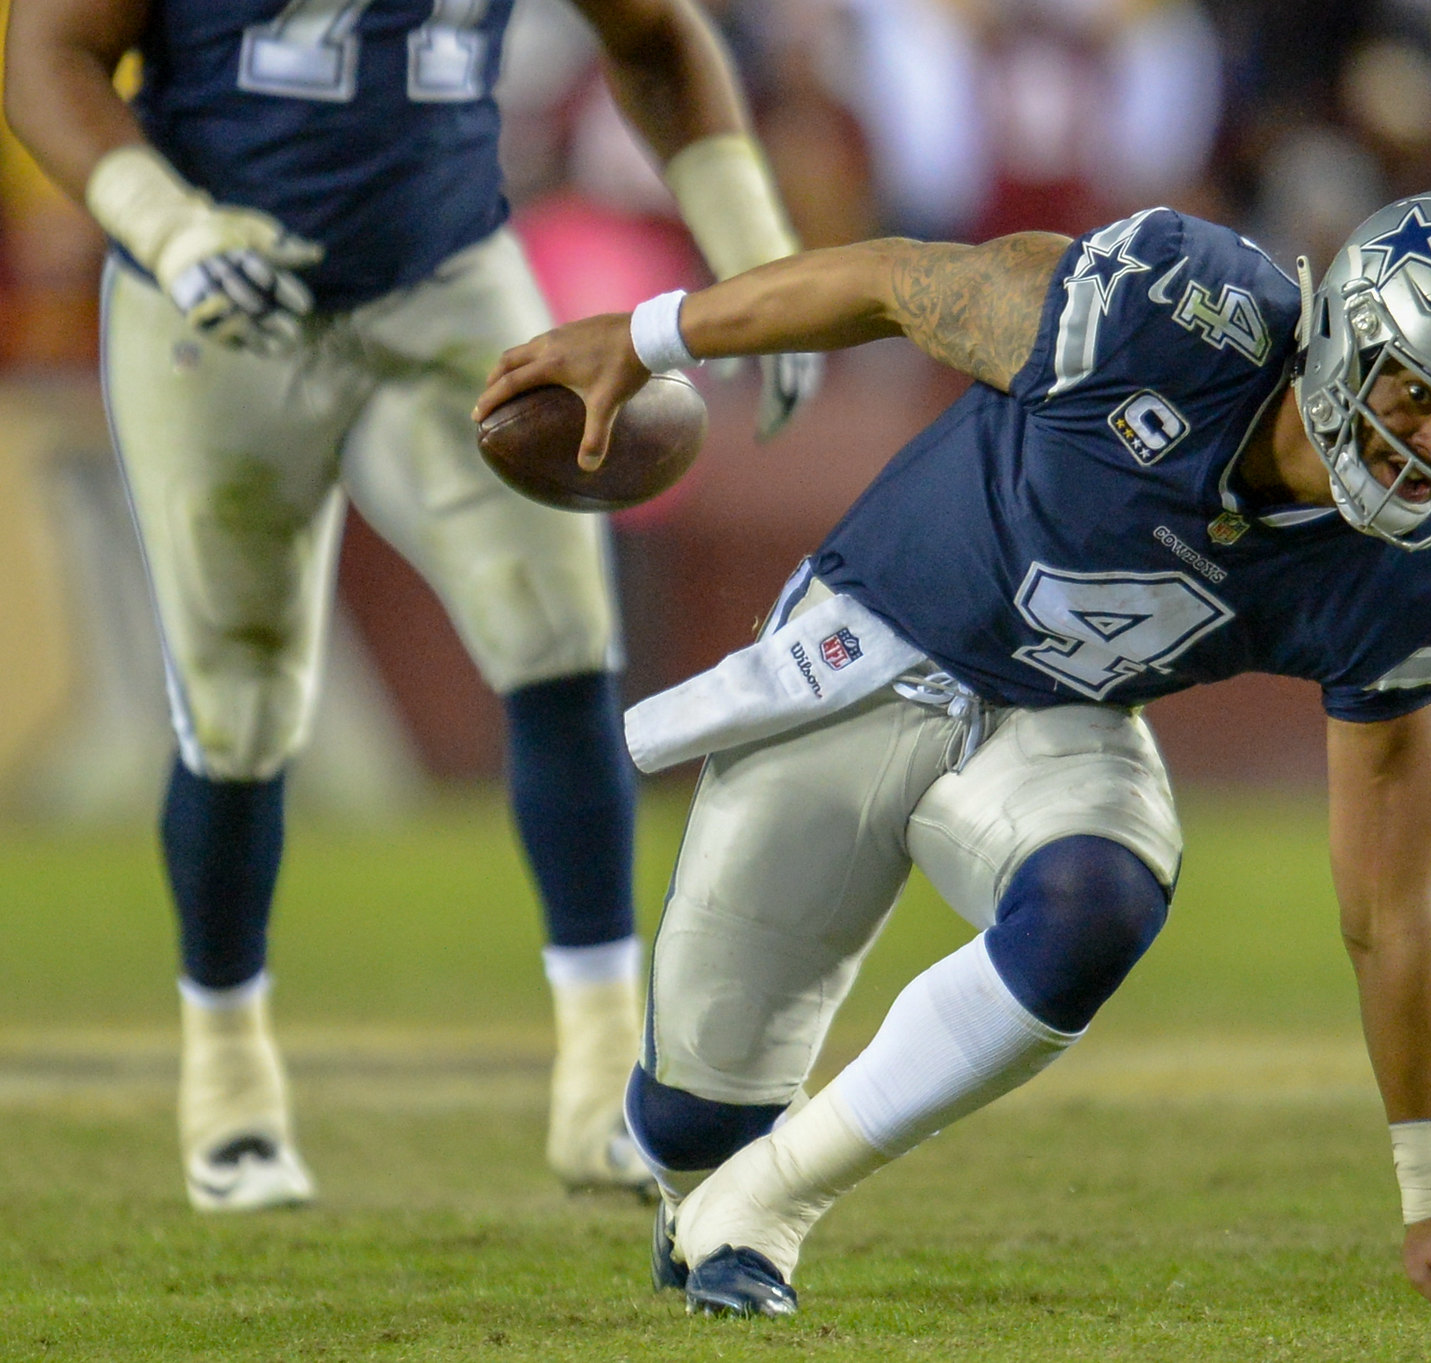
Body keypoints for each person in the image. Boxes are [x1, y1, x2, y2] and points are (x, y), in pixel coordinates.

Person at [477, 188, 1431, 1314]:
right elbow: (889, 282)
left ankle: (772, 1205)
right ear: (1346, 334)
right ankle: (717, 1181)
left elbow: (1391, 909)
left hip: (1055, 729)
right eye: (1415, 393)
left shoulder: (1425, 576)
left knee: (1100, 896)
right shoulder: (1162, 313)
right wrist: (651, 334)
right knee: (688, 1128)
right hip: (858, 659)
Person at [3, 0, 820, 1212]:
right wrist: (166, 227)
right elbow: (48, 54)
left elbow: (654, 35)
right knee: (238, 699)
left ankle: (604, 1081)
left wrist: (753, 245)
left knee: (560, 638)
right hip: (220, 294)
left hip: (442, 282)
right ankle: (229, 1082)